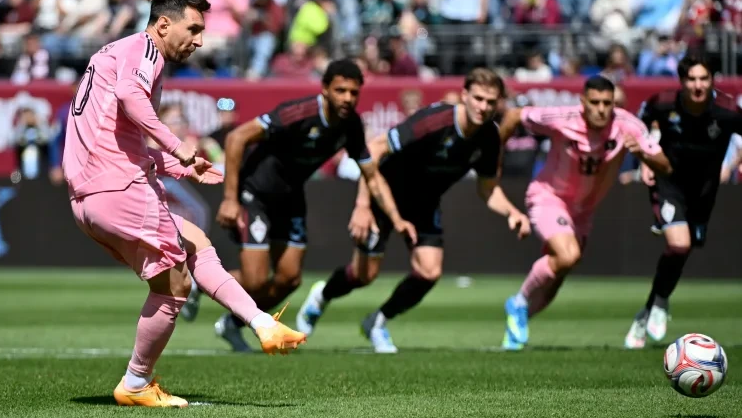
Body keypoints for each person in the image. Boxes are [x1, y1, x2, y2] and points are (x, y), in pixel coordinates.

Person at [62, 0, 305, 408]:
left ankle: (261, 322)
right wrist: (177, 147)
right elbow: (130, 98)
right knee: (175, 284)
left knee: (196, 242)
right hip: (118, 187)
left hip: (92, 195)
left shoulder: (115, 52)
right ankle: (136, 383)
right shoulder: (145, 51)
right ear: (163, 25)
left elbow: (118, 137)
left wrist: (181, 166)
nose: (200, 40)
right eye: (193, 29)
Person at [296, 68, 532, 353]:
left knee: (430, 272)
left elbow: (488, 188)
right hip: (384, 195)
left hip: (424, 203)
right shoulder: (435, 121)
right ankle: (322, 296)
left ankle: (377, 322)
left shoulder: (490, 137)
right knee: (363, 275)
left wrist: (512, 212)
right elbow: (375, 148)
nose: (483, 107)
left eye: (490, 102)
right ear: (464, 95)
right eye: (478, 98)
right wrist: (363, 205)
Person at [209, 59, 417, 352]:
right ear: (325, 89)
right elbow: (235, 138)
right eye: (340, 90)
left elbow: (372, 174)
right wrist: (230, 199)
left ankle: (232, 324)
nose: (347, 98)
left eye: (353, 92)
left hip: (291, 198)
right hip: (256, 193)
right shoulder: (298, 113)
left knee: (290, 279)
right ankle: (201, 279)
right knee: (255, 282)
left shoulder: (351, 125)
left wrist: (397, 219)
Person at [498, 76, 673, 350]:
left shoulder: (628, 125)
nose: (601, 109)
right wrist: (492, 160)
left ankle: (518, 323)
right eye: (595, 103)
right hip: (549, 196)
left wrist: (643, 154)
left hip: (584, 211)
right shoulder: (562, 117)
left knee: (557, 275)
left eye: (607, 103)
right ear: (583, 102)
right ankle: (518, 301)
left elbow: (665, 165)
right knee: (568, 255)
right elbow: (514, 115)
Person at [624, 54, 742, 349]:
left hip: (704, 192)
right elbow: (637, 126)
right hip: (669, 183)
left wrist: (735, 162)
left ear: (712, 80)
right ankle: (659, 303)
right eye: (691, 79)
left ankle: (648, 310)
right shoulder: (664, 103)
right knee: (679, 245)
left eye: (704, 78)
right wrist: (646, 158)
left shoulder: (727, 110)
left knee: (684, 251)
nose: (698, 85)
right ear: (682, 81)